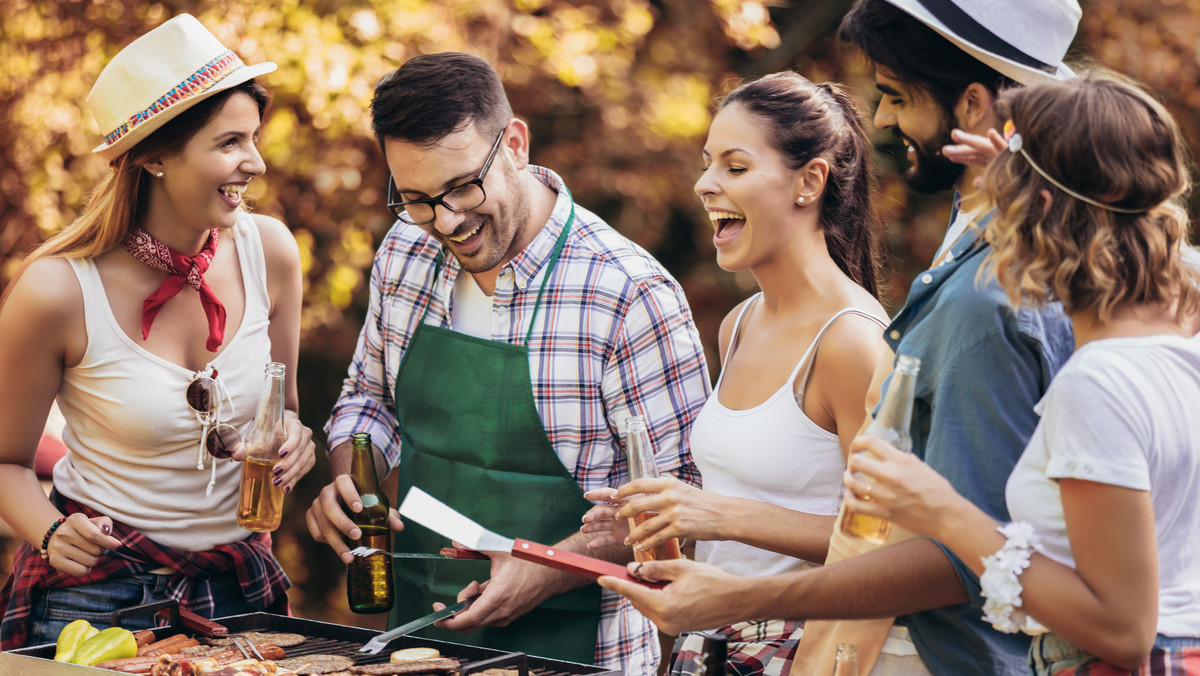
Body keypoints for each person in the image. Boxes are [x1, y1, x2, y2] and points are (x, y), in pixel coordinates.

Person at [597, 1, 1081, 674]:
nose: (882, 118)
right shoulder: (961, 256)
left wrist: (728, 542)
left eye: (894, 95)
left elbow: (935, 548)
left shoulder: (968, 303)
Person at [305, 52, 711, 673]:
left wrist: (546, 569)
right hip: (420, 639)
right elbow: (367, 401)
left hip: (580, 653)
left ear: (515, 143)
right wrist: (348, 479)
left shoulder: (628, 293)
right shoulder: (404, 253)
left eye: (463, 186)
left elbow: (680, 505)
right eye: (416, 199)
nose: (446, 221)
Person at [844, 72, 1200, 675]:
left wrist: (941, 510)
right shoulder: (1181, 328)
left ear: (1034, 209)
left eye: (998, 193)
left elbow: (1124, 630)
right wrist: (1036, 180)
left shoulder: (1097, 383)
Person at [0, 13, 315, 649]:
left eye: (253, 138)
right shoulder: (57, 291)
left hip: (238, 592)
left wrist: (298, 440)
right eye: (229, 142)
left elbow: (284, 413)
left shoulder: (272, 252)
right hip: (100, 597)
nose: (254, 162)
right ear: (157, 157)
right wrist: (51, 532)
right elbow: (4, 461)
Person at [579, 71, 892, 676]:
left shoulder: (853, 342)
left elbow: (885, 546)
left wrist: (714, 512)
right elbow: (742, 513)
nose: (704, 184)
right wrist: (660, 521)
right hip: (712, 647)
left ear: (810, 181)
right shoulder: (739, 323)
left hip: (804, 653)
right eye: (707, 164)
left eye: (735, 167)